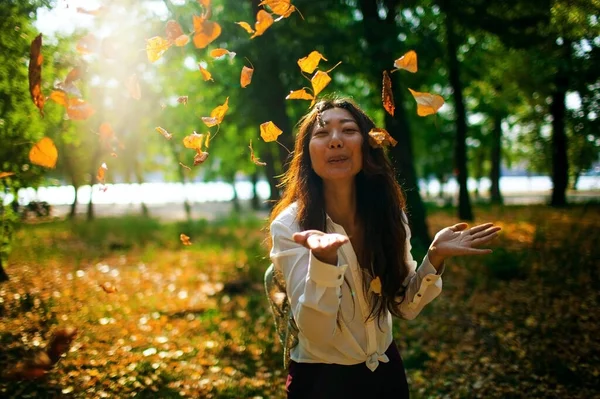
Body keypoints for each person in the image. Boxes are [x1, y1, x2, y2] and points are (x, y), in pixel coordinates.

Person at [265, 97, 501, 399]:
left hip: (386, 374)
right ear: (307, 153)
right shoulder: (290, 226)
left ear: (368, 145)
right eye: (322, 134)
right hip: (322, 381)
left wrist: (435, 257)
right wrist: (323, 262)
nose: (335, 140)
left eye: (348, 130)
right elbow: (316, 333)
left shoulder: (388, 214)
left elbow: (403, 306)